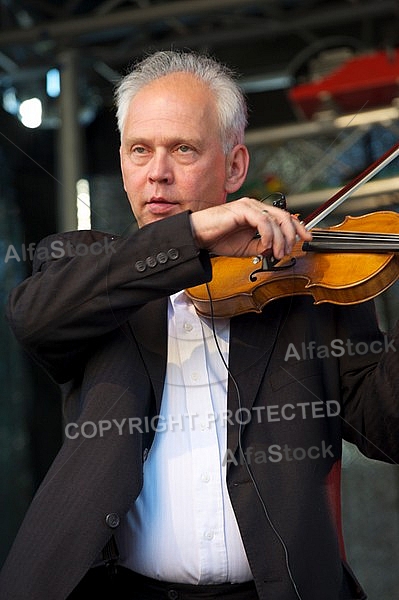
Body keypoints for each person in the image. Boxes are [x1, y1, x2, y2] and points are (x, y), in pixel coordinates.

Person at [0, 49, 398, 600]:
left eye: (183, 149)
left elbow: (388, 426)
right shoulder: (82, 263)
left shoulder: (307, 285)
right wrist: (188, 240)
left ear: (234, 166)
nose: (157, 173)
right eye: (141, 150)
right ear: (121, 162)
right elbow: (34, 318)